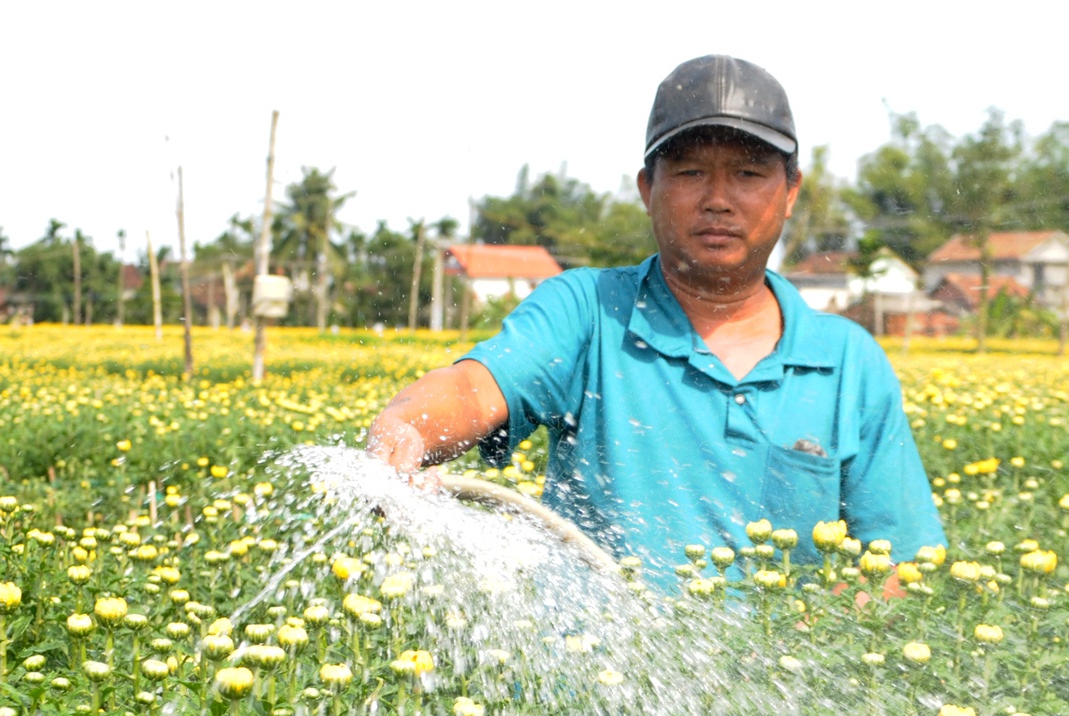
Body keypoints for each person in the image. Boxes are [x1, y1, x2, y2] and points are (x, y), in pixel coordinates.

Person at [364, 54, 945, 574]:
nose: (718, 198)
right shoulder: (588, 311)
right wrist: (405, 430)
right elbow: (470, 389)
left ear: (790, 191)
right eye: (691, 172)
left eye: (748, 173)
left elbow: (896, 564)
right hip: (590, 679)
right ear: (648, 188)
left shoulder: (847, 361)